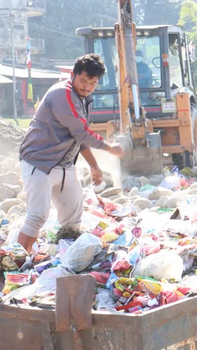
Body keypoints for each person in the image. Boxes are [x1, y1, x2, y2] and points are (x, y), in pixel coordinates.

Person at [17, 53, 126, 252]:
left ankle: (65, 256)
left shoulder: (83, 98)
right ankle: (15, 262)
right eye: (83, 81)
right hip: (40, 162)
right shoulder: (62, 94)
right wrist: (109, 148)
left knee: (73, 215)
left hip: (64, 165)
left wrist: (94, 165)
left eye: (92, 83)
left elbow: (77, 136)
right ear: (73, 75)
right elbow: (81, 132)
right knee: (38, 215)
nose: (87, 86)